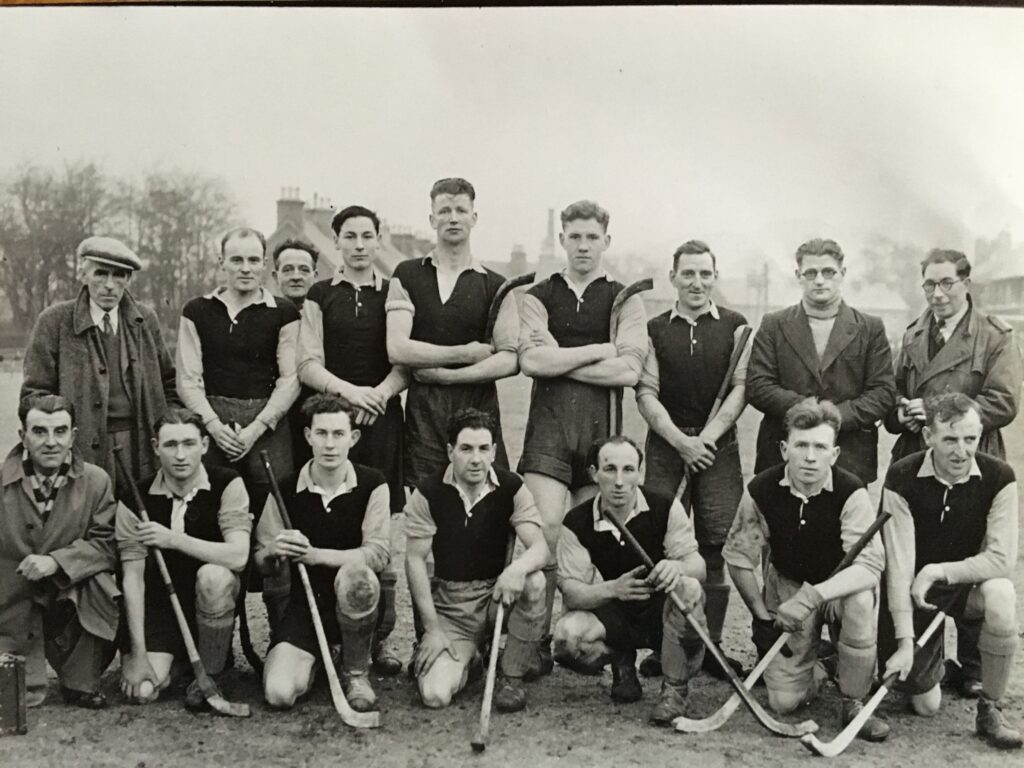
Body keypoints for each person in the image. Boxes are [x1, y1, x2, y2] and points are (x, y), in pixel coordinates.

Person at [884, 249, 1022, 698]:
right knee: (911, 552)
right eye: (929, 285)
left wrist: (943, 413)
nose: (938, 294)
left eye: (946, 284)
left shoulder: (994, 335)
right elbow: (894, 399)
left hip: (971, 452)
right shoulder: (912, 334)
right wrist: (902, 414)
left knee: (974, 554)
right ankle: (919, 648)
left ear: (966, 284)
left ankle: (975, 665)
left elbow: (1003, 402)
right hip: (918, 454)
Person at [517, 200, 647, 672]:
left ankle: (604, 645)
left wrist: (562, 357)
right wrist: (598, 351)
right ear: (563, 240)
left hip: (602, 432)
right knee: (547, 532)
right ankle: (532, 645)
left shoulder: (624, 297)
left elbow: (630, 369)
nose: (584, 245)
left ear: (606, 241)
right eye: (575, 237)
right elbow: (531, 362)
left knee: (599, 536)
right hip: (549, 428)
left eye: (593, 237)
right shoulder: (537, 294)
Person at [722, 397, 889, 741]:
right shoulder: (761, 489)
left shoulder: (851, 492)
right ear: (785, 449)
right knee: (784, 702)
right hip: (787, 586)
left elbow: (870, 567)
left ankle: (853, 700)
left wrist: (815, 595)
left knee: (860, 600)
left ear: (835, 453)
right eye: (801, 445)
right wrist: (761, 616)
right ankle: (824, 666)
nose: (810, 457)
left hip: (836, 587)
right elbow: (738, 557)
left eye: (820, 446)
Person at [297, 205, 409, 675]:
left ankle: (378, 639)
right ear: (336, 241)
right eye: (350, 236)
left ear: (379, 240)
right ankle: (327, 631)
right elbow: (308, 363)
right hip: (332, 419)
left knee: (381, 529)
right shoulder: (320, 295)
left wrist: (378, 396)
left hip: (382, 419)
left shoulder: (395, 292)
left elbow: (405, 362)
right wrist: (349, 396)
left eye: (367, 235)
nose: (360, 244)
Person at [636, 239, 750, 679]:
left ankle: (712, 645)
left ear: (715, 277)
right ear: (673, 278)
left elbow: (741, 389)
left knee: (716, 547)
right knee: (661, 546)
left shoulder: (737, 327)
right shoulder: (654, 328)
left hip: (718, 448)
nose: (697, 282)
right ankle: (661, 645)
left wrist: (706, 438)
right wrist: (680, 441)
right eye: (688, 274)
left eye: (705, 274)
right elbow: (646, 392)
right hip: (666, 447)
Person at [880, 393, 1020, 750]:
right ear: (928, 437)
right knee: (925, 706)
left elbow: (1001, 560)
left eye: (970, 439)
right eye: (950, 439)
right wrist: (905, 642)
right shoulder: (901, 476)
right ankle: (939, 665)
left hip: (963, 586)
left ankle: (991, 707)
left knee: (1002, 593)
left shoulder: (1000, 476)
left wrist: (939, 570)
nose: (962, 451)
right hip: (916, 591)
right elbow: (898, 567)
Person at [552, 435, 707, 725]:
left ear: (640, 472)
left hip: (662, 610)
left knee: (690, 587)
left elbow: (697, 566)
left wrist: (676, 567)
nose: (620, 481)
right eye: (609, 469)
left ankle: (674, 690)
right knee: (567, 639)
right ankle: (622, 661)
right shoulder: (576, 522)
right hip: (618, 610)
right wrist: (614, 588)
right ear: (593, 473)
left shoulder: (664, 506)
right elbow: (572, 594)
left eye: (628, 470)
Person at [405, 409, 548, 713]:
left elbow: (539, 549)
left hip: (497, 596)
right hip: (452, 607)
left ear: (494, 451)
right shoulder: (428, 492)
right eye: (466, 449)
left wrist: (516, 569)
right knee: (435, 696)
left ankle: (511, 677)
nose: (476, 459)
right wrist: (432, 629)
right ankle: (472, 660)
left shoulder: (512, 487)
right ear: (450, 451)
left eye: (484, 449)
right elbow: (415, 561)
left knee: (534, 581)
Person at [257, 395, 390, 712]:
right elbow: (260, 562)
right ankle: (318, 656)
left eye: (338, 434)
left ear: (353, 438)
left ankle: (356, 670)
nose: (330, 444)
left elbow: (377, 554)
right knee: (278, 693)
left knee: (355, 575)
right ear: (308, 437)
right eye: (322, 434)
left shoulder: (373, 483)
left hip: (359, 601)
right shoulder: (285, 488)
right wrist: (274, 550)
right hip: (303, 608)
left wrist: (315, 555)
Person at [386, 177, 519, 488]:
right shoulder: (406, 274)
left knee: (485, 504)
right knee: (427, 506)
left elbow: (510, 360)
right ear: (432, 219)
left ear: (474, 218)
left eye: (461, 210)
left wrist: (448, 376)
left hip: (480, 410)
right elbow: (397, 349)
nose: (453, 217)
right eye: (444, 210)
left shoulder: (496, 284)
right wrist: (464, 354)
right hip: (425, 414)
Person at [21, 236, 178, 500]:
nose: (109, 285)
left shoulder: (144, 319)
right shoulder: (54, 321)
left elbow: (169, 384)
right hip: (80, 447)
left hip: (141, 446)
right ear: (82, 274)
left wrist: (169, 432)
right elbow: (33, 396)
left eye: (119, 276)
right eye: (100, 273)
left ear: (128, 280)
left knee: (138, 522)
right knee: (88, 522)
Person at [116, 407, 251, 708]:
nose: (180, 455)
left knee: (213, 577)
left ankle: (211, 672)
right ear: (155, 448)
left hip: (211, 603)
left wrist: (172, 539)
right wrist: (137, 653)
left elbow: (239, 555)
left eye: (189, 444)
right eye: (170, 445)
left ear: (204, 445)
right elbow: (133, 579)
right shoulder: (134, 498)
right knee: (144, 691)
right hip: (160, 610)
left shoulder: (227, 483)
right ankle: (181, 667)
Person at [0, 394, 119, 708]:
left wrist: (56, 562)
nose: (51, 442)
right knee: (13, 696)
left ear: (73, 436)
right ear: (22, 436)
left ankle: (80, 680)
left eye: (60, 431)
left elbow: (105, 544)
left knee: (101, 582)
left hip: (66, 597)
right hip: (10, 602)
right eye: (39, 431)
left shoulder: (96, 481)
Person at [746, 238, 896, 484]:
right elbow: (758, 384)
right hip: (783, 453)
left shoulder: (870, 328)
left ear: (842, 273)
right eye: (810, 273)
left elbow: (883, 391)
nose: (819, 280)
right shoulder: (773, 324)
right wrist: (805, 411)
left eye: (828, 272)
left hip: (849, 455)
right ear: (798, 275)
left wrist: (834, 417)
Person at [176, 225, 300, 512]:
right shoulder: (196, 310)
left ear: (265, 264)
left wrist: (255, 429)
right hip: (211, 422)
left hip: (268, 424)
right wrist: (214, 427)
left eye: (254, 260)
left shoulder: (283, 313)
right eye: (236, 260)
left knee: (273, 502)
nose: (246, 268)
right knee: (208, 499)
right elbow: (188, 379)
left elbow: (290, 379)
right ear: (222, 263)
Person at [272, 238, 319, 311]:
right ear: (275, 277)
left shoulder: (327, 318)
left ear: (315, 276)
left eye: (304, 270)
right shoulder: (264, 318)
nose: (296, 277)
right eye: (287, 270)